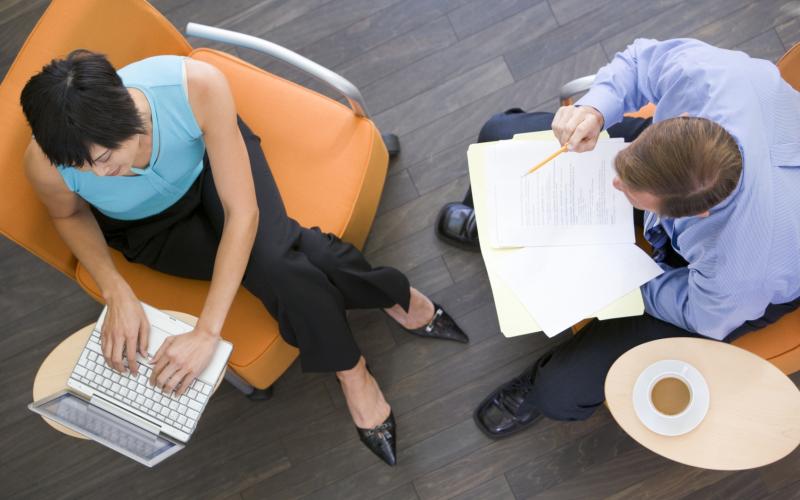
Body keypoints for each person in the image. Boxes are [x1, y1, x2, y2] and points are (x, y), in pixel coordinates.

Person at [20, 49, 469, 465]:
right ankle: (389, 296)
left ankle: (352, 373)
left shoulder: (195, 86)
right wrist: (116, 289)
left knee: (276, 263)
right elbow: (71, 214)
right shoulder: (47, 162)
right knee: (300, 257)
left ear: (124, 110)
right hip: (149, 230)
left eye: (103, 156)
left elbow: (242, 213)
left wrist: (206, 331)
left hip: (213, 167)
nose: (100, 174)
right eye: (84, 168)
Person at [439, 38, 800, 437]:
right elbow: (640, 61)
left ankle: (540, 389)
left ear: (692, 213)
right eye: (622, 169)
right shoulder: (713, 78)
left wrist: (624, 285)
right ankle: (499, 224)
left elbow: (702, 313)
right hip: (688, 176)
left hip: (718, 291)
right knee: (499, 133)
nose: (612, 183)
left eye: (627, 191)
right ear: (679, 122)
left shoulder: (742, 269)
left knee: (563, 389)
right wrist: (595, 109)